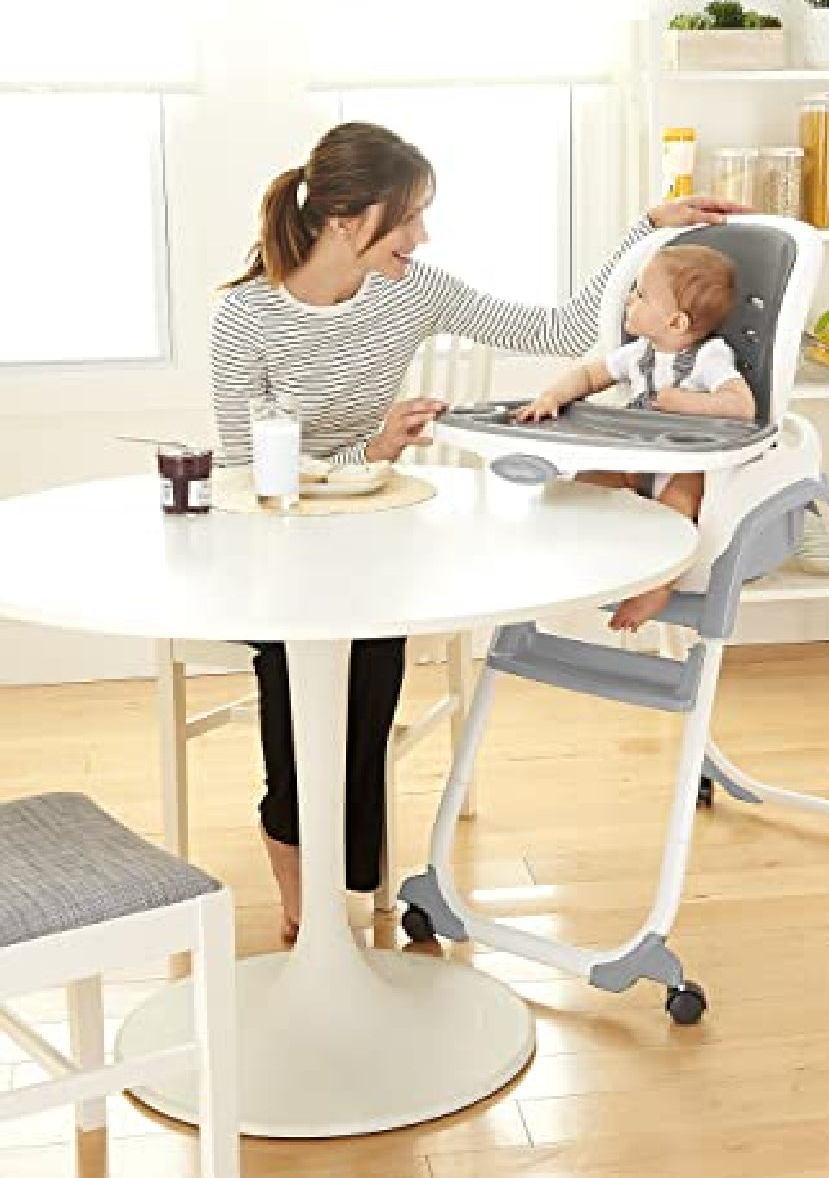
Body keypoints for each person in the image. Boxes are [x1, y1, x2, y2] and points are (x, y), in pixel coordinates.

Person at [210, 120, 744, 944]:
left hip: (373, 534)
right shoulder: (244, 319)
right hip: (271, 546)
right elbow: (244, 474)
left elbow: (561, 333)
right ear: (349, 222)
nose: (423, 236)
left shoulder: (410, 291)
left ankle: (341, 884)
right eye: (411, 216)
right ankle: (296, 857)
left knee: (369, 667)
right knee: (298, 674)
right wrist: (372, 445)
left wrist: (646, 232)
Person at [514, 243, 755, 631]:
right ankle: (586, 558)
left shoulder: (710, 357)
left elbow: (741, 406)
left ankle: (655, 589)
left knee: (683, 502)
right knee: (585, 486)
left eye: (641, 295)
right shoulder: (638, 354)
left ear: (676, 322)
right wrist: (552, 397)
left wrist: (688, 403)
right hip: (634, 460)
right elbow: (589, 376)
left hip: (682, 468)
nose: (630, 299)